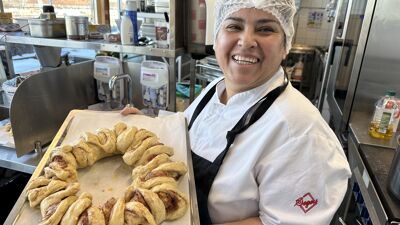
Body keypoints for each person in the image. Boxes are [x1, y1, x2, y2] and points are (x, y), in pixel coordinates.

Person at [122, 0, 352, 224]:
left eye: (265, 29)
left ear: (285, 46)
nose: (246, 40)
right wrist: (148, 128)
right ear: (217, 38)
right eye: (234, 26)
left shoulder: (303, 133)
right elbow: (183, 137)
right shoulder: (216, 89)